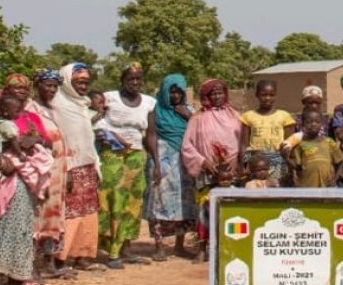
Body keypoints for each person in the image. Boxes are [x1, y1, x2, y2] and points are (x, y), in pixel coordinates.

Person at [0, 94, 53, 285]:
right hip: (14, 181)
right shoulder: (2, 126)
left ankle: (15, 275)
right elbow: (8, 147)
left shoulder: (13, 122)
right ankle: (16, 277)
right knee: (16, 226)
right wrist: (21, 151)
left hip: (18, 181)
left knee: (21, 226)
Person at [97, 64, 158, 269]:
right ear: (122, 80)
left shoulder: (149, 102)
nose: (135, 83)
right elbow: (94, 120)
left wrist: (156, 162)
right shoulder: (109, 98)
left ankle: (127, 248)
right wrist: (109, 135)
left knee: (133, 202)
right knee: (113, 200)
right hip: (112, 156)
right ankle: (112, 252)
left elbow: (150, 133)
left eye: (139, 79)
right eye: (130, 79)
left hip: (136, 156)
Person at [51, 64, 102, 272]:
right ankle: (60, 258)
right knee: (69, 213)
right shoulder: (58, 105)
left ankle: (83, 255)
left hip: (87, 165)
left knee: (88, 212)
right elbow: (60, 139)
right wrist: (68, 168)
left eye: (86, 82)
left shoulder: (82, 104)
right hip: (69, 167)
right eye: (79, 82)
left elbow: (87, 138)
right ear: (67, 81)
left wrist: (96, 166)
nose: (83, 86)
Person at [144, 73, 196, 261]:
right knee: (159, 203)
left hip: (184, 162)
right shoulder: (155, 110)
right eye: (171, 91)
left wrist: (188, 116)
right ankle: (159, 247)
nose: (175, 95)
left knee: (184, 202)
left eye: (178, 92)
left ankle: (179, 246)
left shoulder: (189, 110)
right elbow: (151, 136)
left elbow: (199, 131)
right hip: (162, 160)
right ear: (164, 91)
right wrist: (157, 164)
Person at [27, 67, 73, 279]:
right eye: (48, 85)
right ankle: (31, 265)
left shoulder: (54, 109)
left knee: (54, 217)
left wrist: (69, 170)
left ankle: (49, 262)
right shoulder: (31, 109)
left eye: (55, 86)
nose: (52, 90)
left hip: (58, 173)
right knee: (38, 217)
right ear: (37, 86)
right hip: (41, 174)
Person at [181, 77, 243, 185]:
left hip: (232, 170)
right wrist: (202, 162)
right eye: (213, 94)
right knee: (208, 200)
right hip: (208, 171)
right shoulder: (197, 118)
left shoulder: (235, 116)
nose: (218, 97)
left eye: (220, 93)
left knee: (232, 200)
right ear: (206, 96)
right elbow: (187, 145)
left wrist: (237, 159)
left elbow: (244, 141)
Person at [241, 79, 296, 185]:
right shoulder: (248, 116)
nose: (267, 98)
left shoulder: (284, 116)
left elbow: (290, 144)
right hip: (256, 161)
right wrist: (244, 164)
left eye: (271, 95)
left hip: (278, 160)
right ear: (257, 95)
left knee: (276, 190)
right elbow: (244, 144)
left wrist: (290, 165)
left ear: (275, 95)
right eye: (264, 95)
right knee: (256, 189)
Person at [288, 110, 343, 188]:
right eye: (309, 122)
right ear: (303, 124)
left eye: (317, 122)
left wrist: (335, 179)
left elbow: (340, 160)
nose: (313, 124)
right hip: (307, 184)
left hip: (327, 185)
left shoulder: (329, 142)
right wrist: (285, 158)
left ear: (322, 124)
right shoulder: (300, 144)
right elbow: (297, 166)